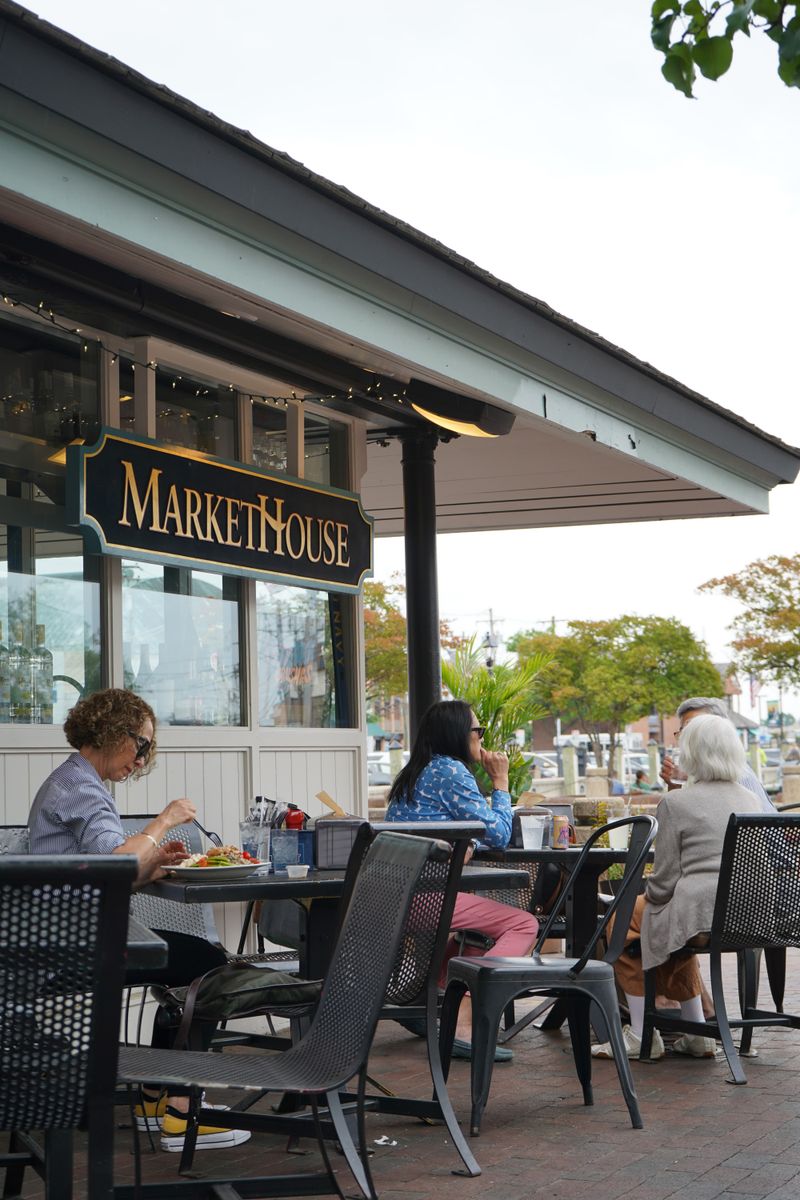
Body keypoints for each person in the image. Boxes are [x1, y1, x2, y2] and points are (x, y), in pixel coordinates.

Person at [27, 687, 250, 1153]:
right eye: (142, 744)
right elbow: (118, 863)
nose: (142, 759)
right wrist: (164, 820)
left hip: (65, 939)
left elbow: (110, 874)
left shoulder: (78, 782)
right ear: (112, 731)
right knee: (207, 965)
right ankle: (181, 1113)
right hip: (71, 949)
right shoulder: (79, 789)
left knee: (194, 960)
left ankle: (154, 1101)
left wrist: (157, 863)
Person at [592, 714, 764, 1061]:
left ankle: (641, 1034)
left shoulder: (677, 802)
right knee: (666, 926)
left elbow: (664, 881)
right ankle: (695, 1028)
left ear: (691, 754)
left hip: (700, 912)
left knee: (623, 918)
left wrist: (642, 899)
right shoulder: (751, 800)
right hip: (746, 913)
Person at [385, 699, 539, 1062]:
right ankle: (464, 1023)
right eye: (477, 730)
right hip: (426, 896)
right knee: (522, 923)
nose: (482, 737)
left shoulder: (414, 773)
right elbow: (499, 833)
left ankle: (431, 1007)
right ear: (458, 734)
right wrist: (500, 782)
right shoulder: (450, 771)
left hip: (397, 891)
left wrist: (468, 839)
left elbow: (462, 830)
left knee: (470, 940)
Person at [661, 696, 775, 811]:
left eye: (694, 728)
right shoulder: (714, 773)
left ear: (719, 730)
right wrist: (675, 786)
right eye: (684, 731)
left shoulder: (732, 775)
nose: (688, 736)